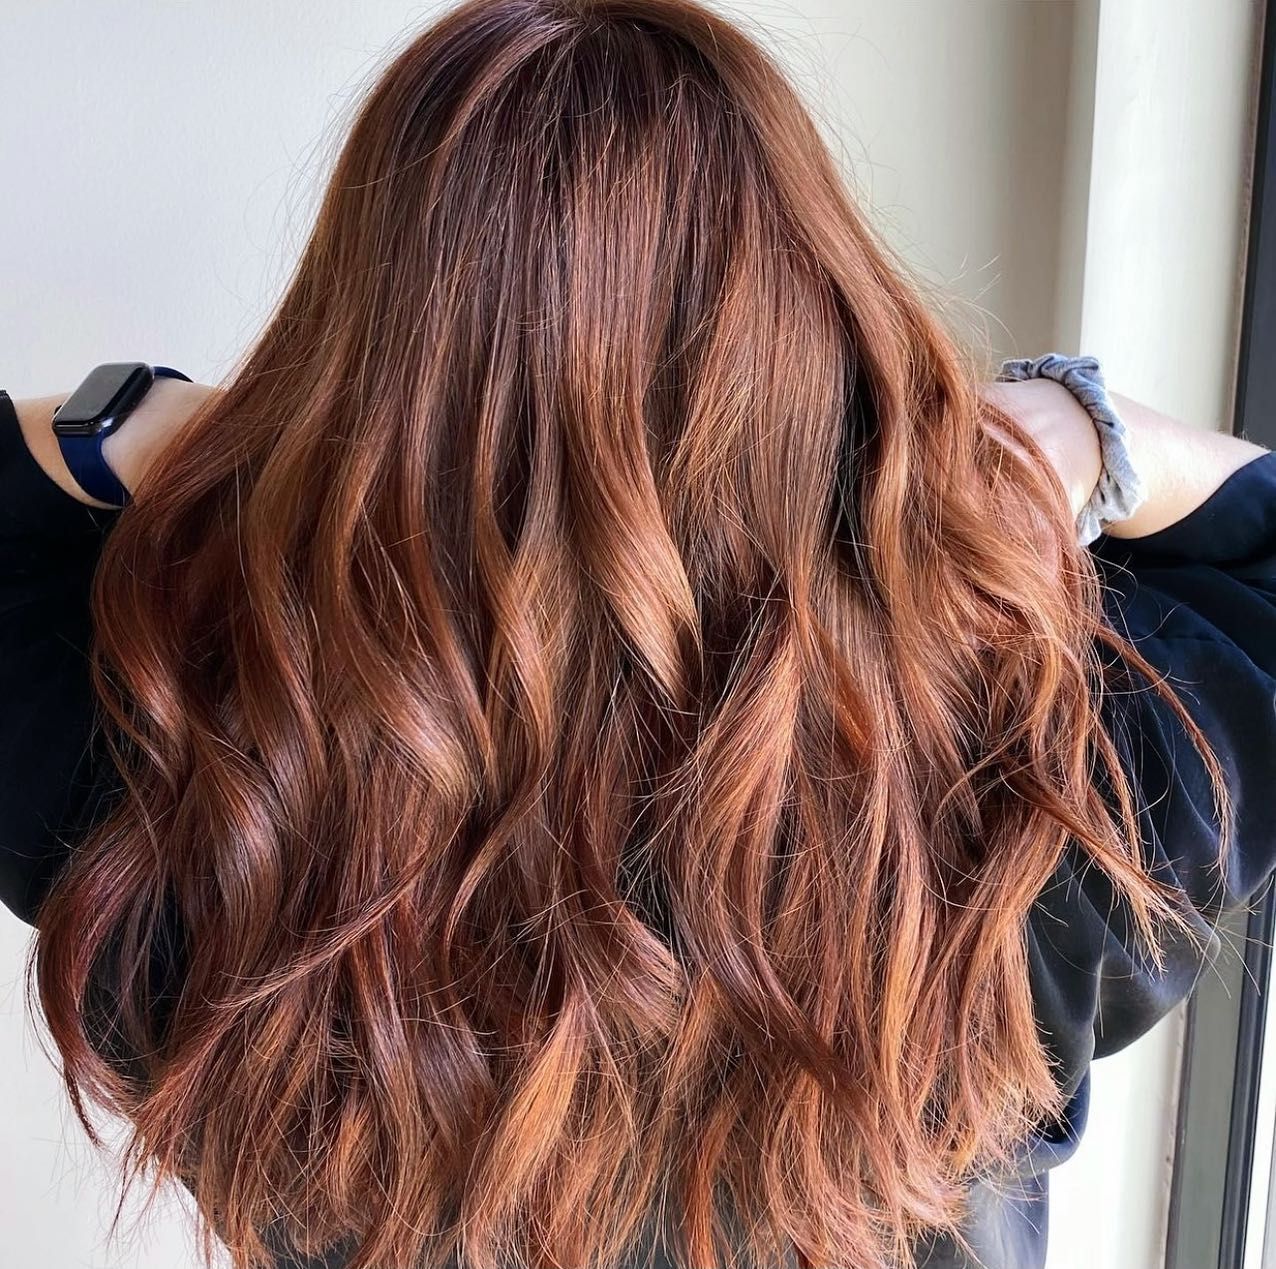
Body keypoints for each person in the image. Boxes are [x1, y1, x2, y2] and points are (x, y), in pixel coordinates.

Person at [2, 1, 1274, 1266]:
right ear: (814, 326)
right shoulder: (1032, 775)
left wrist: (171, 431)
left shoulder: (184, 779)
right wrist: (1079, 428)